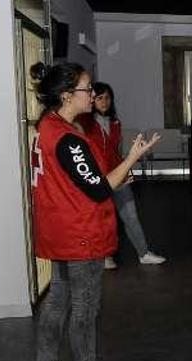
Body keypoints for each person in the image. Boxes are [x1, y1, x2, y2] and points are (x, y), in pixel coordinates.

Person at [28, 62, 159, 361]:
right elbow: (100, 190)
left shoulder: (46, 126)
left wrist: (115, 173)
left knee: (57, 302)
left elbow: (80, 181)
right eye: (87, 90)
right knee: (84, 309)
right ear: (67, 95)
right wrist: (132, 157)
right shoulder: (68, 138)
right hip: (79, 233)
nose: (93, 95)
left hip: (59, 230)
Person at [78, 82, 166, 269]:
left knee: (131, 216)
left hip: (119, 176)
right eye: (99, 97)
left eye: (108, 98)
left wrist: (126, 170)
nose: (104, 102)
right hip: (99, 179)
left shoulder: (115, 123)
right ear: (92, 99)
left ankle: (143, 253)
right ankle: (105, 256)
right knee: (103, 219)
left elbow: (116, 152)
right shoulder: (84, 122)